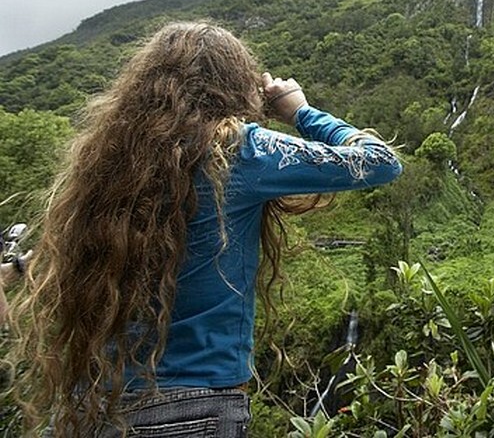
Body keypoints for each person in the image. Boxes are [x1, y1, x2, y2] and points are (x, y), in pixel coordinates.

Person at [10, 22, 403, 437]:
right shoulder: (236, 150)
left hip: (90, 407)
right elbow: (379, 161)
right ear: (235, 86)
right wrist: (298, 110)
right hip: (190, 410)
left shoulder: (109, 163)